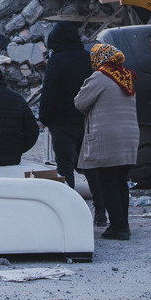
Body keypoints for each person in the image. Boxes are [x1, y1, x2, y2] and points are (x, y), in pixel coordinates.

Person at [38, 22, 107, 226]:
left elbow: (49, 92)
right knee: (92, 169)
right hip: (87, 122)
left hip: (62, 124)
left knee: (65, 169)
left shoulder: (57, 61)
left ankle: (71, 215)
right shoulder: (89, 59)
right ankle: (101, 214)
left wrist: (46, 118)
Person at [75, 44, 139, 241]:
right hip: (129, 138)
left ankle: (118, 228)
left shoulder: (100, 77)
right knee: (120, 182)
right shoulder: (126, 77)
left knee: (108, 183)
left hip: (108, 139)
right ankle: (123, 224)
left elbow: (80, 102)